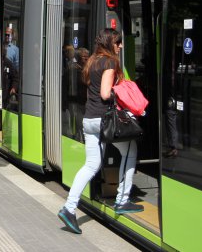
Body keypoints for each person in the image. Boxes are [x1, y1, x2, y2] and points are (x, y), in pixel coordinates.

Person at [58, 29, 143, 235]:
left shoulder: (92, 61)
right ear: (110, 43)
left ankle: (69, 208)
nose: (120, 46)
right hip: (103, 120)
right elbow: (105, 93)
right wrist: (122, 90)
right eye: (118, 42)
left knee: (90, 165)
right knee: (130, 150)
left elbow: (93, 91)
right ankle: (122, 200)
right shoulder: (110, 63)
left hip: (89, 120)